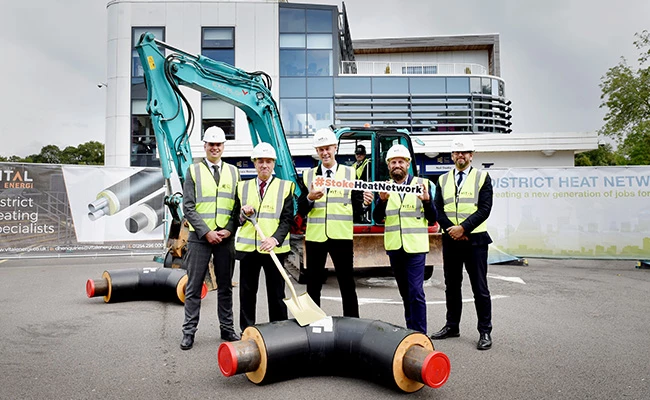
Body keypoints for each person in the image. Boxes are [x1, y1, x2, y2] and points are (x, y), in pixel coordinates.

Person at [298, 128, 373, 317]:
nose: (324, 153)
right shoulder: (308, 176)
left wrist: (364, 203)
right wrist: (309, 197)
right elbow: (301, 208)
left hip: (341, 236)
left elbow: (357, 207)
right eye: (321, 149)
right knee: (313, 285)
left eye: (328, 148)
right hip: (316, 237)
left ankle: (352, 323)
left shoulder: (349, 174)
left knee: (347, 283)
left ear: (335, 148)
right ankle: (312, 322)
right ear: (317, 151)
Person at [430, 137, 494, 350]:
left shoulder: (482, 177)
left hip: (475, 241)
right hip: (451, 240)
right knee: (452, 286)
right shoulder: (442, 180)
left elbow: (485, 209)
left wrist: (463, 228)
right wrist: (452, 230)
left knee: (479, 287)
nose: (461, 156)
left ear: (471, 155)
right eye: (457, 153)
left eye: (465, 152)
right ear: (452, 156)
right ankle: (452, 326)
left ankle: (485, 331)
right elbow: (438, 208)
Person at [180, 126, 241, 350]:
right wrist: (206, 232)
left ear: (223, 146)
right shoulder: (193, 171)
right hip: (199, 238)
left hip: (225, 238)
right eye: (211, 144)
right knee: (194, 286)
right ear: (204, 146)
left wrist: (229, 229)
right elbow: (188, 207)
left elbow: (237, 207)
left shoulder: (234, 172)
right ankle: (188, 332)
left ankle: (227, 328)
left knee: (225, 287)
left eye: (218, 144)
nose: (215, 148)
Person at [372, 144, 437, 334]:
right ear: (388, 166)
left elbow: (433, 218)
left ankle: (420, 334)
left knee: (416, 292)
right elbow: (377, 218)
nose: (397, 165)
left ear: (408, 164)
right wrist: (382, 201)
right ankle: (411, 331)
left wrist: (427, 201)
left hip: (415, 248)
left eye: (401, 161)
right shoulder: (385, 187)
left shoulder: (421, 185)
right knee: (405, 293)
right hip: (395, 247)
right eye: (393, 162)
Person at [236, 142, 294, 332]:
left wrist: (274, 239)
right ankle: (247, 331)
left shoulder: (285, 187)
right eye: (260, 161)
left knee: (277, 294)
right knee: (247, 294)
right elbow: (235, 219)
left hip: (274, 249)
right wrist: (243, 214)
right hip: (249, 250)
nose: (264, 165)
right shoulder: (242, 187)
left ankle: (278, 332)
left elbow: (287, 220)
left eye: (268, 161)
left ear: (274, 164)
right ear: (254, 163)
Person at [352, 144, 372, 224]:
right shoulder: (354, 165)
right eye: (357, 153)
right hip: (356, 189)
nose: (359, 155)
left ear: (365, 154)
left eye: (361, 154)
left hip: (362, 189)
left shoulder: (368, 164)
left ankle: (360, 217)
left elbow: (365, 178)